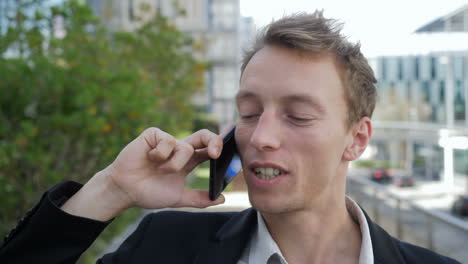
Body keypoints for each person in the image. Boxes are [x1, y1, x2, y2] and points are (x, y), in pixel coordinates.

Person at [0, 11, 461, 264]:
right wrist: (111, 190)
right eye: (249, 112)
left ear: (356, 139)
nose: (261, 136)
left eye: (297, 116)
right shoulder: (165, 248)